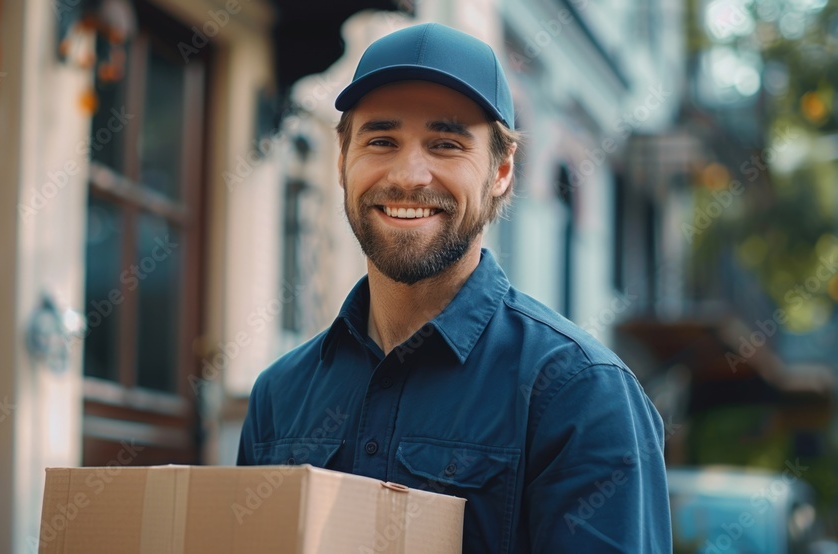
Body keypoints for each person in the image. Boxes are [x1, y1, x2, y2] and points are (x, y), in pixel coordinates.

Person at [237, 22, 672, 553]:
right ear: (342, 161)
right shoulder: (280, 395)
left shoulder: (583, 395)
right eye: (381, 140)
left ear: (501, 172)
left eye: (445, 144)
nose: (410, 175)